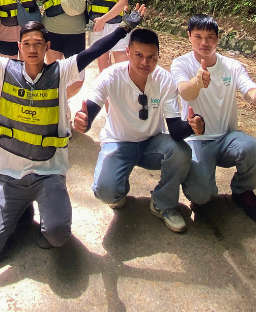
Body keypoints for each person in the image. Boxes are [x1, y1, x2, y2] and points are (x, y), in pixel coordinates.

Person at [0, 0, 147, 260]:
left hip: (49, 174)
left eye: (38, 43)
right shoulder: (4, 69)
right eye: (27, 44)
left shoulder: (62, 71)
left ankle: (45, 211)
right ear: (19, 47)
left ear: (47, 47)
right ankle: (23, 211)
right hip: (11, 176)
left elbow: (96, 49)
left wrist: (125, 27)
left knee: (57, 236)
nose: (32, 49)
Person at [73, 28, 204, 234]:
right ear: (127, 52)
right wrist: (84, 121)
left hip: (152, 143)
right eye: (139, 55)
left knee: (181, 152)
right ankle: (119, 188)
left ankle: (163, 203)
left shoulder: (164, 79)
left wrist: (192, 126)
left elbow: (176, 131)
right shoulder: (111, 76)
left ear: (158, 56)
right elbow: (90, 108)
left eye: (152, 57)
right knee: (106, 192)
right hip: (118, 142)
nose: (145, 62)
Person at [172, 14, 256, 223]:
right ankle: (200, 182)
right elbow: (185, 93)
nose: (204, 42)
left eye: (210, 37)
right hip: (197, 140)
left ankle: (243, 191)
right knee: (200, 196)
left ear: (218, 39)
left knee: (255, 150)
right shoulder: (181, 64)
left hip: (227, 137)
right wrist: (197, 82)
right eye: (198, 36)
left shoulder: (232, 66)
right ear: (189, 36)